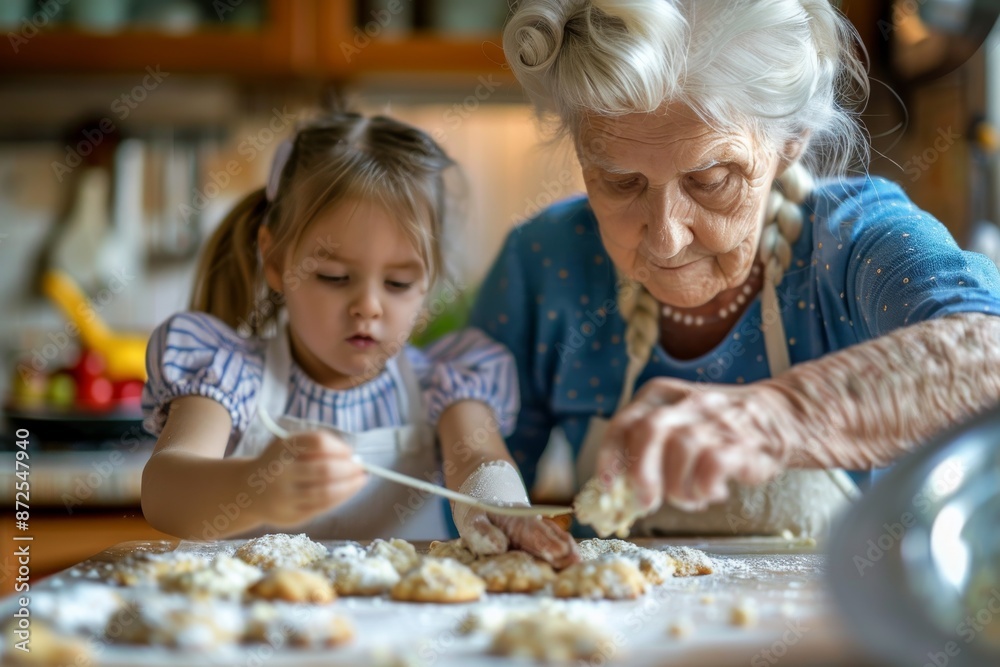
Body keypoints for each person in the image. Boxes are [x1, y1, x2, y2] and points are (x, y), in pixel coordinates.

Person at [472, 0, 1000, 536]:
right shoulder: (545, 260)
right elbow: (476, 485)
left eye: (711, 180)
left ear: (791, 141)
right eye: (620, 182)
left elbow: (990, 355)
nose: (667, 239)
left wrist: (777, 417)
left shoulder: (856, 240)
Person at [141, 111, 577, 566]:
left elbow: (478, 459)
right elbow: (165, 489)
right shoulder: (228, 374)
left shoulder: (447, 383)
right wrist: (255, 489)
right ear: (276, 261)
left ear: (428, 284)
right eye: (334, 276)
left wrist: (501, 509)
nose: (368, 306)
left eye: (398, 283)